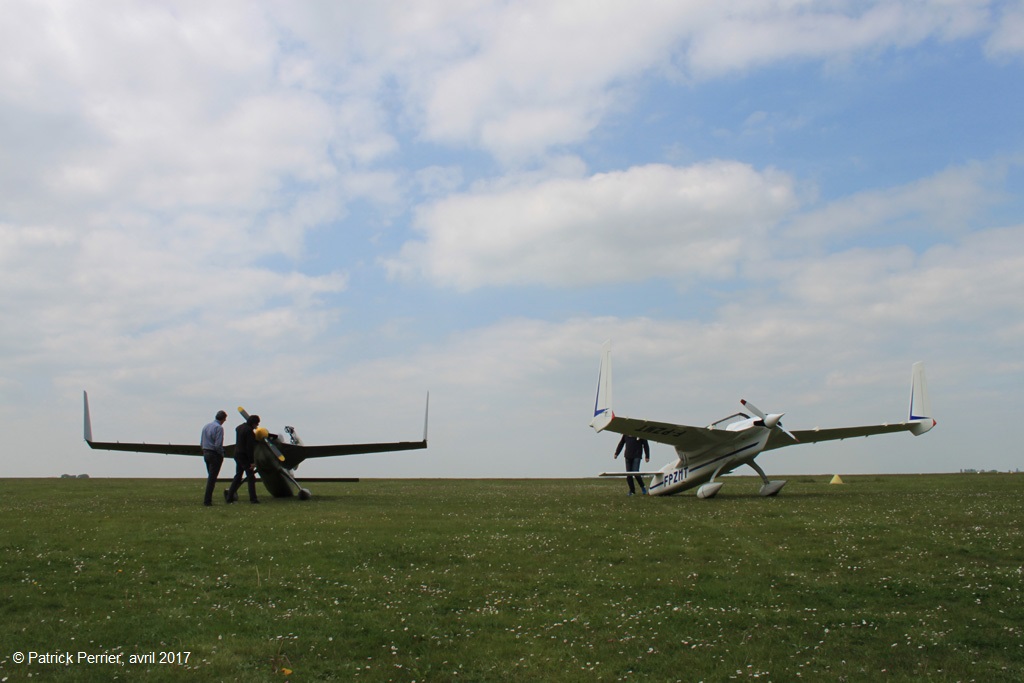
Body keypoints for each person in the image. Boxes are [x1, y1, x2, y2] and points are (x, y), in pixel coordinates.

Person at [226, 414, 261, 504]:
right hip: (244, 456)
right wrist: (252, 462)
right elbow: (249, 448)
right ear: (253, 423)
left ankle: (229, 497)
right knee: (251, 477)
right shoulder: (249, 431)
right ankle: (253, 499)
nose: (257, 426)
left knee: (238, 476)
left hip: (237, 454)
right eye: (257, 424)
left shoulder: (239, 428)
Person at [200, 410, 228, 506]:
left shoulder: (206, 426)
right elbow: (218, 444)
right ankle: (207, 501)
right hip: (214, 454)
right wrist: (222, 454)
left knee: (210, 477)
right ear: (223, 419)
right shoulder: (219, 428)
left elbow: (201, 442)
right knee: (212, 479)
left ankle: (208, 499)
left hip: (206, 453)